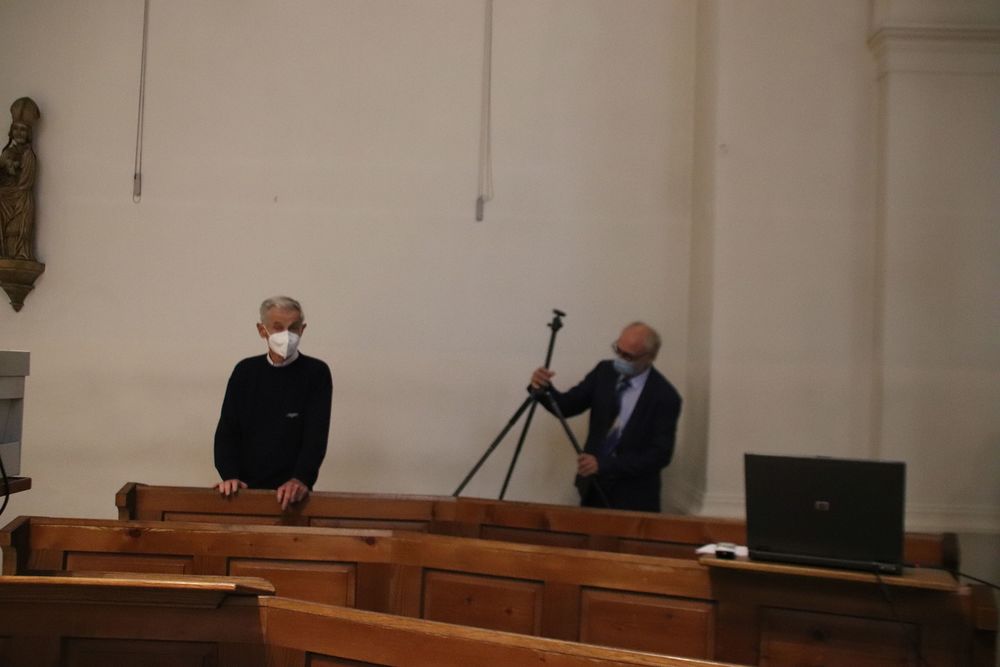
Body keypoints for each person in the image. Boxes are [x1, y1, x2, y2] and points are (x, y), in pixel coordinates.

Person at [530, 321, 681, 512]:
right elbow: (567, 406)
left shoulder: (665, 396)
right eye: (618, 350)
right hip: (593, 487)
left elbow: (660, 455)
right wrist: (543, 388)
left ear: (650, 357)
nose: (621, 359)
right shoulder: (604, 372)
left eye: (628, 356)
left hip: (634, 498)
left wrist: (604, 465)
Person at [214, 296, 333, 509]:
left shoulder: (316, 373)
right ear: (262, 330)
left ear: (302, 330)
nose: (286, 335)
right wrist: (229, 475)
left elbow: (316, 435)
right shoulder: (245, 372)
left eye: (293, 328)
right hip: (243, 491)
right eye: (278, 327)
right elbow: (227, 430)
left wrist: (301, 478)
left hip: (293, 495)